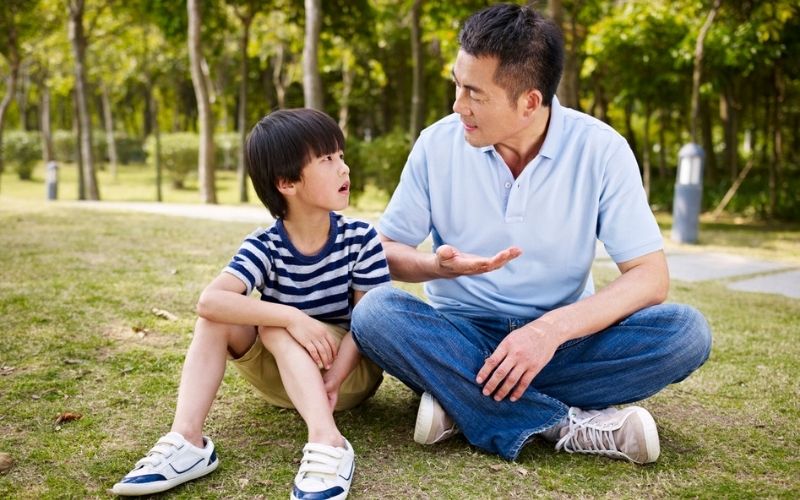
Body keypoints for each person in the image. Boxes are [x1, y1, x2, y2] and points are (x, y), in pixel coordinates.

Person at [350, 3, 712, 464]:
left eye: (474, 94)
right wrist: (433, 266)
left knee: (686, 333)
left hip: (564, 340)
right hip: (461, 333)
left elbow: (649, 277)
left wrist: (547, 332)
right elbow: (388, 251)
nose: (457, 105)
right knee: (377, 314)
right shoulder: (436, 144)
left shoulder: (601, 150)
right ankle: (562, 423)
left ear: (530, 102)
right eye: (457, 85)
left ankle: (461, 400)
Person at [112, 108, 391, 499]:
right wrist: (291, 316)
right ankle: (187, 440)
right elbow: (209, 301)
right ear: (286, 182)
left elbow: (368, 321)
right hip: (282, 380)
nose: (344, 168)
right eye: (328, 160)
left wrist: (332, 378)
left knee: (273, 326)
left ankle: (329, 442)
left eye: (341, 156)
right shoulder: (265, 244)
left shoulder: (361, 238)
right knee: (224, 318)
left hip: (346, 377)